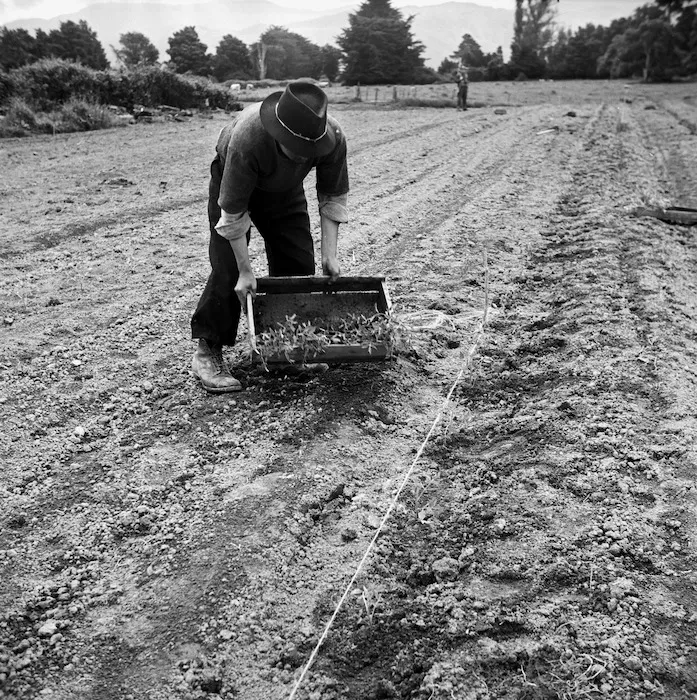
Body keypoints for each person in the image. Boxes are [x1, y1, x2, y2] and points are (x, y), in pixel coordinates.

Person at [190, 81, 349, 393]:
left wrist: (330, 255)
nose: (305, 154)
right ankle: (207, 351)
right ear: (279, 133)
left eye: (310, 150)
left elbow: (332, 196)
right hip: (235, 185)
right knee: (229, 269)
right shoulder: (248, 139)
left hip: (285, 190)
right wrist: (246, 271)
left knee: (299, 262)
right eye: (298, 147)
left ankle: (282, 349)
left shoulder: (332, 137)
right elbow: (233, 215)